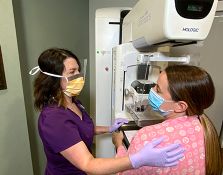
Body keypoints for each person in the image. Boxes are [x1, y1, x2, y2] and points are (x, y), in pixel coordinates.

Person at [29, 48, 184, 175]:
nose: (79, 76)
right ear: (53, 78)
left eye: (79, 70)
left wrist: (108, 128)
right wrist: (138, 159)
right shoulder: (53, 119)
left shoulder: (72, 101)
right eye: (72, 72)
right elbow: (88, 164)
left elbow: (80, 130)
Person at [112, 64, 223, 175]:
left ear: (180, 106)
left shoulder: (147, 136)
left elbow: (123, 172)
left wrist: (119, 145)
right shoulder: (206, 130)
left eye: (158, 89)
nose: (152, 90)